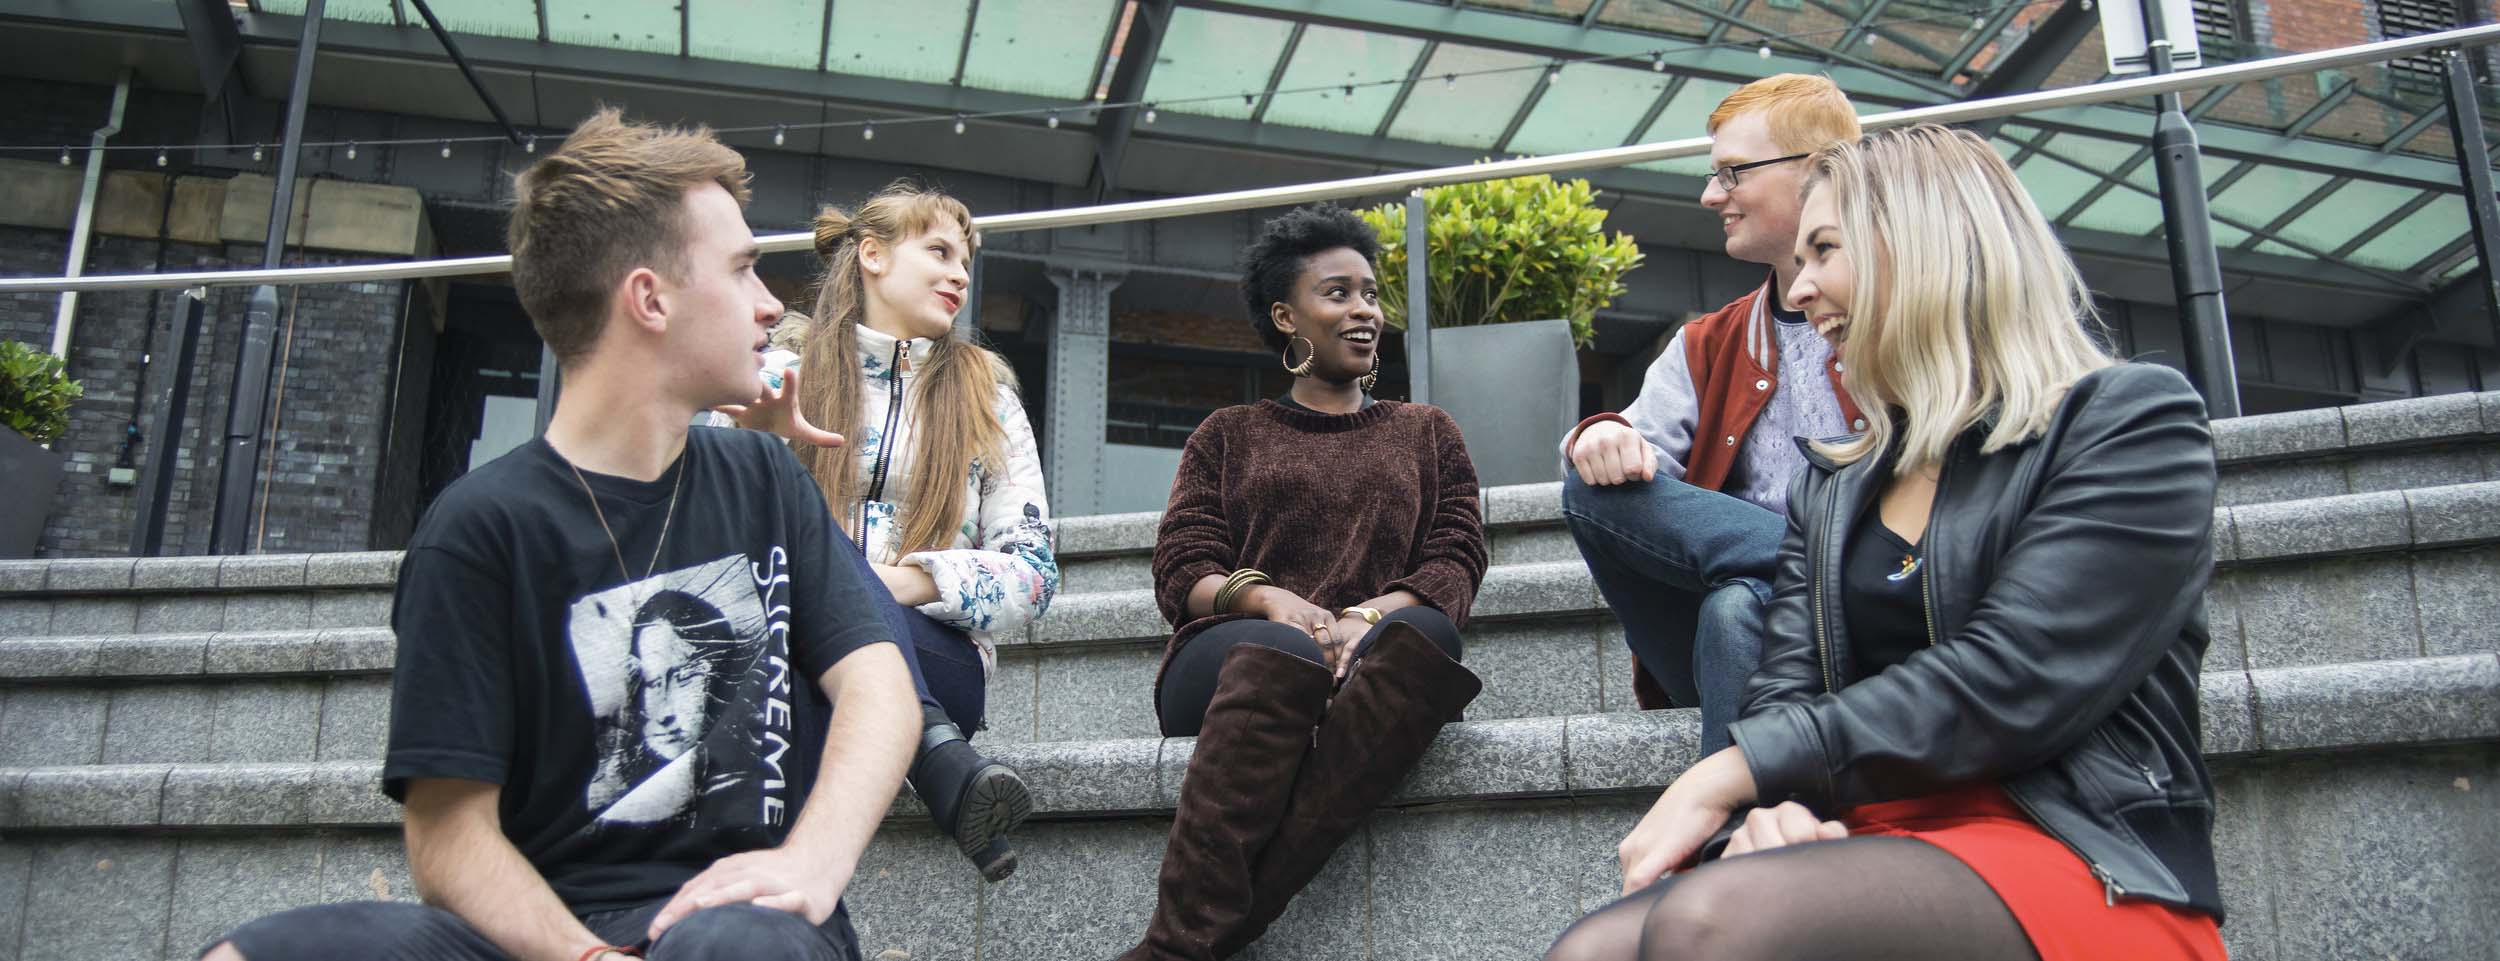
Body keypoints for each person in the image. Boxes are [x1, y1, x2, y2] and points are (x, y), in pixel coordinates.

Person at [201, 108, 919, 961]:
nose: (771, 305)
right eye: (743, 270)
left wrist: (812, 860)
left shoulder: (765, 479)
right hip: (540, 936)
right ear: (649, 298)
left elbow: (883, 686)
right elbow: (447, 837)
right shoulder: (478, 529)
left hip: (737, 922)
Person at [1542, 124, 2227, 961]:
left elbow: (2013, 674)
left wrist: (1730, 772)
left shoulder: (2128, 420)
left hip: (2075, 850)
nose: (1800, 291)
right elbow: (1783, 687)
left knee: (1709, 922)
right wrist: (1774, 807)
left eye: (1825, 250)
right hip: (1865, 841)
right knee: (1594, 951)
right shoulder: (1831, 485)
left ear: (1926, 247)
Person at [1119, 203, 1489, 961]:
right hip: (1231, 662)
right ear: (1288, 315)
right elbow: (1182, 563)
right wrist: (1271, 602)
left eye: (1371, 293)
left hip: (1377, 657)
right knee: (1278, 650)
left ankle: (1185, 943)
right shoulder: (1229, 432)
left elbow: (1456, 556)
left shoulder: (1426, 431)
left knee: (1427, 635)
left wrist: (1365, 613)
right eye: (1338, 293)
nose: (1364, 311)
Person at [723, 183, 1054, 882]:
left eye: (964, 261)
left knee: (812, 611)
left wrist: (882, 583)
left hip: (938, 657)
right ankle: (937, 759)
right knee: (796, 597)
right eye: (938, 251)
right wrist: (746, 445)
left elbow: (1033, 570)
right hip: (786, 653)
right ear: (871, 254)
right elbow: (698, 522)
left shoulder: (987, 394)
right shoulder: (778, 374)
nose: (959, 274)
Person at [1558, 74, 1866, 754]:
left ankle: (1725, 848)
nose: (1709, 195)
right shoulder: (1709, 341)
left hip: (1862, 630)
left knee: (1736, 607)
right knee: (1589, 485)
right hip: (1804, 608)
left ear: (1819, 172)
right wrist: (1607, 435)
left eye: (1732, 172)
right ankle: (1821, 567)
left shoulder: (1904, 314)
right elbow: (1637, 462)